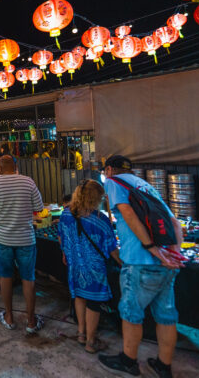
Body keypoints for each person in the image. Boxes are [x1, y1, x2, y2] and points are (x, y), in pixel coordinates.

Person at [99, 155, 184, 378]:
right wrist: (173, 254)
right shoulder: (145, 186)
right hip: (167, 262)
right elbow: (174, 221)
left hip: (139, 261)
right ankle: (164, 367)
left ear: (109, 170)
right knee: (166, 316)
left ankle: (128, 360)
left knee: (131, 313)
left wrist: (150, 247)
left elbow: (126, 213)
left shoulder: (113, 182)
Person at [0, 155, 45, 333]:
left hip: (3, 239)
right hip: (26, 238)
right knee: (28, 278)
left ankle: (9, 317)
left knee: (6, 277)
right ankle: (31, 321)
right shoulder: (28, 182)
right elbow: (39, 207)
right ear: (16, 167)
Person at [58, 180, 120, 353]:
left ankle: (81, 334)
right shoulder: (101, 220)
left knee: (79, 296)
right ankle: (91, 342)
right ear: (95, 198)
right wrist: (125, 263)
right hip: (94, 269)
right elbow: (112, 249)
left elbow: (61, 237)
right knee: (93, 301)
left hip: (75, 266)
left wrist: (65, 253)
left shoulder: (66, 214)